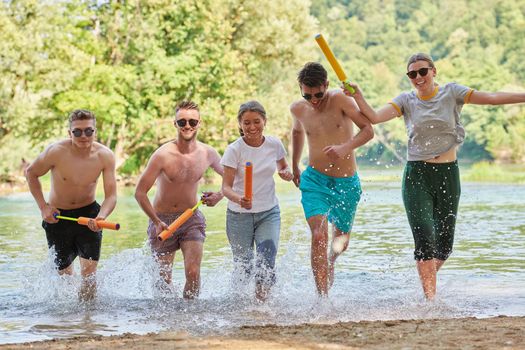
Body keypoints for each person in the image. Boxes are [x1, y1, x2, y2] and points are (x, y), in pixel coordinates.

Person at [343, 52, 525, 300]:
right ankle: (430, 303)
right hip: (417, 175)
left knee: (445, 246)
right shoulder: (405, 101)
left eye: (422, 72)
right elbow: (374, 117)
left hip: (449, 174)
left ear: (433, 71)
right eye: (412, 74)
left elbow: (491, 98)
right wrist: (358, 96)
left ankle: (420, 278)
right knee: (425, 238)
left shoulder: (452, 92)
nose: (418, 77)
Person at [290, 62, 374, 296]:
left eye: (319, 94)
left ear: (326, 85)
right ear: (301, 89)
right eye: (308, 95)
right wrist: (295, 164)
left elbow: (368, 130)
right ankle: (322, 299)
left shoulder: (340, 100)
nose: (314, 100)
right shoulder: (298, 109)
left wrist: (345, 147)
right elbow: (297, 132)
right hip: (314, 180)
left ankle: (330, 261)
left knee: (341, 242)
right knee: (318, 234)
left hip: (346, 182)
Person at [25, 109, 117, 301]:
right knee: (64, 278)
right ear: (70, 133)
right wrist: (43, 207)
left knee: (89, 276)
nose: (83, 136)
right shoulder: (56, 152)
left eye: (88, 131)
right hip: (58, 216)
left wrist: (102, 216)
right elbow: (31, 173)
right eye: (77, 131)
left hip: (90, 215)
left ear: (95, 131)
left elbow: (111, 196)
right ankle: (68, 326)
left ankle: (87, 323)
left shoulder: (105, 155)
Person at [135, 101, 223, 299]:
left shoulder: (208, 153)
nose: (187, 126)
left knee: (193, 272)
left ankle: (189, 316)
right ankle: (167, 322)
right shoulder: (162, 155)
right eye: (182, 121)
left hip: (190, 218)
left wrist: (219, 195)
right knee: (162, 280)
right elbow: (140, 193)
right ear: (175, 124)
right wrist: (156, 221)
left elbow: (232, 178)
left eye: (192, 121)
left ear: (199, 123)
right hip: (162, 221)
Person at [221, 100, 293, 302]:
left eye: (256, 121)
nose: (252, 127)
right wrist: (239, 199)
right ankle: (239, 304)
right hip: (238, 215)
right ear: (240, 124)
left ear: (264, 121)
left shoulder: (274, 144)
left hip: (268, 211)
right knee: (243, 265)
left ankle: (261, 305)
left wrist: (286, 173)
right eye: (246, 123)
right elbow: (225, 188)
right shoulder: (234, 150)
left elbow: (282, 167)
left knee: (267, 260)